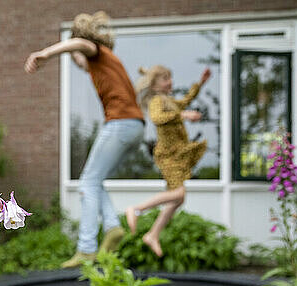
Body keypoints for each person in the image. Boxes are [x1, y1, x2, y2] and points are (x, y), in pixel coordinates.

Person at [24, 11, 145, 268]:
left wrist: (45, 53)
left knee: (87, 182)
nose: (76, 60)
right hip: (134, 126)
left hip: (121, 123)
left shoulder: (96, 51)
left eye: (74, 56)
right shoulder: (108, 62)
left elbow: (80, 44)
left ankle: (86, 248)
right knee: (95, 180)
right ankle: (112, 227)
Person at [126, 65, 211, 257]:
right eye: (165, 79)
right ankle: (136, 209)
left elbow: (185, 100)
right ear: (155, 86)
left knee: (178, 198)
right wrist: (184, 115)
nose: (170, 82)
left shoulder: (168, 100)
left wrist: (201, 83)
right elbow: (156, 118)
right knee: (179, 193)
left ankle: (153, 235)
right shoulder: (157, 101)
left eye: (170, 78)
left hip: (177, 153)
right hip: (168, 155)